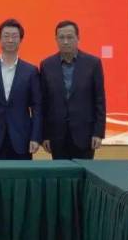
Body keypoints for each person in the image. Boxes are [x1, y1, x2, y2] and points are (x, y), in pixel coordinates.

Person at [0, 19, 42, 160]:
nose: (10, 40)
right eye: (6, 36)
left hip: (22, 139)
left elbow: (37, 107)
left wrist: (35, 137)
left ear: (21, 40)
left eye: (14, 36)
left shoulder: (31, 71)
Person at [40, 20, 106, 159]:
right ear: (56, 39)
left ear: (78, 38)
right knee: (60, 172)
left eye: (70, 37)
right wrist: (45, 135)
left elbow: (99, 101)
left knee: (83, 171)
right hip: (57, 136)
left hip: (85, 135)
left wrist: (98, 133)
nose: (65, 41)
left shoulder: (93, 64)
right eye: (61, 37)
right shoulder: (46, 65)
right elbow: (44, 103)